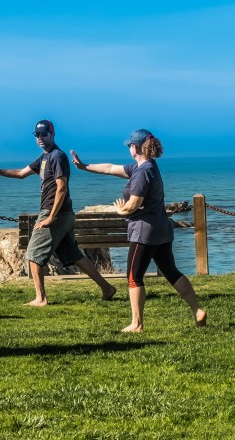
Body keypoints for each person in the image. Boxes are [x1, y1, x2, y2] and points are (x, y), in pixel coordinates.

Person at [71, 129, 206, 332]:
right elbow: (109, 168)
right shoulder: (144, 167)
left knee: (134, 276)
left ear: (135, 147)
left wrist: (120, 210)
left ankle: (137, 323)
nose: (128, 148)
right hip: (161, 230)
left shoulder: (142, 172)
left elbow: (134, 204)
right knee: (171, 272)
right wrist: (84, 167)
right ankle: (197, 310)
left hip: (144, 232)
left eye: (129, 145)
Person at [0, 119, 117, 306]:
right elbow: (21, 173)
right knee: (73, 254)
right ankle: (106, 287)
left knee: (33, 253)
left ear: (52, 135)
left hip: (56, 213)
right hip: (64, 213)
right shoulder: (44, 158)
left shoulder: (57, 156)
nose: (40, 138)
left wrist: (51, 217)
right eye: (37, 135)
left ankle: (41, 298)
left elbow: (61, 187)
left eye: (44, 134)